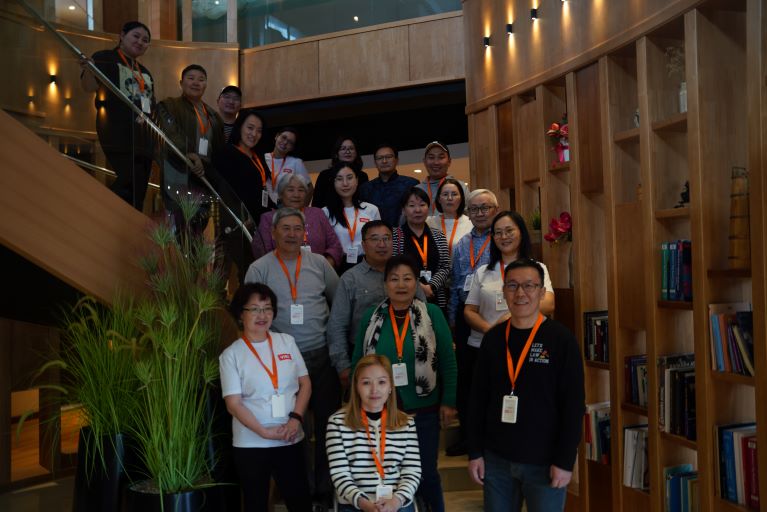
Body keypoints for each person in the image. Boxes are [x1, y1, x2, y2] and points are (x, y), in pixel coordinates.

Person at [467, 259, 584, 512]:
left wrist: (565, 461)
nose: (520, 293)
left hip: (545, 461)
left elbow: (573, 406)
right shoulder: (493, 339)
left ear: (542, 292)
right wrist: (475, 451)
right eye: (512, 286)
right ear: (504, 291)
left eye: (529, 286)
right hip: (497, 460)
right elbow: (477, 399)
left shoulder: (561, 340)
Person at [244, 208, 341, 507]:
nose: (291, 234)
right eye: (285, 228)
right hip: (282, 362)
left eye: (297, 228)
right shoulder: (259, 268)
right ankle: (300, 490)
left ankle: (325, 489)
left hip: (321, 356)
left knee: (328, 427)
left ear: (305, 233)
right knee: (295, 427)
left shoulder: (319, 265)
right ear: (273, 233)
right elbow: (248, 313)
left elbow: (337, 302)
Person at [352, 255, 457, 512]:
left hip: (423, 410)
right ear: (385, 283)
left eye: (408, 278)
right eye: (394, 278)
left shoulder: (432, 314)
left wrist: (449, 401)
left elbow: (448, 361)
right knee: (390, 475)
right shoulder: (371, 317)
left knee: (426, 473)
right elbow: (359, 364)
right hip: (380, 412)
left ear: (417, 282)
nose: (401, 284)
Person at [219, 282, 312, 511]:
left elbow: (305, 383)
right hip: (251, 443)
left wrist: (296, 419)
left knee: (300, 501)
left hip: (290, 436)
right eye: (255, 309)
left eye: (267, 308)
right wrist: (264, 432)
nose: (262, 315)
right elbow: (233, 403)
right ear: (241, 314)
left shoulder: (286, 342)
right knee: (255, 503)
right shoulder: (231, 355)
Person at [326, 221, 426, 390]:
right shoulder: (350, 279)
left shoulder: (406, 273)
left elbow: (424, 311)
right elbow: (337, 325)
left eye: (387, 238)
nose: (382, 244)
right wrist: (343, 366)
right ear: (363, 245)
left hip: (408, 353)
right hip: (364, 356)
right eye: (375, 239)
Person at [326, 354, 421, 512]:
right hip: (355, 502)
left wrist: (395, 502)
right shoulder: (337, 423)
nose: (374, 390)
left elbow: (412, 471)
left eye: (382, 382)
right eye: (366, 383)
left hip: (395, 500)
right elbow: (339, 474)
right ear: (356, 387)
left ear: (391, 386)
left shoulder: (406, 423)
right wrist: (364, 504)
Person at [79, 21, 155, 211]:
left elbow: (150, 103)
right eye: (136, 36)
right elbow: (89, 87)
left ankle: (130, 223)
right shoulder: (105, 57)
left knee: (139, 187)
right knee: (127, 180)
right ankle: (106, 213)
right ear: (122, 35)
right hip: (117, 131)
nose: (140, 42)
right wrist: (88, 69)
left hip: (144, 137)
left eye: (145, 40)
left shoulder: (145, 72)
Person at [445, 189, 499, 457]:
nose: (479, 213)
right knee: (467, 380)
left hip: (496, 317)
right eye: (474, 209)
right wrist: (454, 321)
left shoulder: (502, 240)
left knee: (495, 379)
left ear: (495, 210)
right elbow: (455, 286)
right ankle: (468, 436)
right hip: (467, 317)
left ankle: (493, 439)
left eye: (485, 208)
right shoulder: (460, 245)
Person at [156, 64, 226, 231]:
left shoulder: (214, 116)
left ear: (206, 85)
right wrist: (190, 154)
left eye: (201, 80)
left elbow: (219, 151)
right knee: (178, 226)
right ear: (181, 83)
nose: (196, 83)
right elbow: (171, 133)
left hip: (204, 178)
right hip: (177, 174)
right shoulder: (169, 105)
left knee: (198, 228)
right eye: (191, 78)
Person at [214, 109, 274, 283]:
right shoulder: (227, 153)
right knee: (224, 274)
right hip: (234, 224)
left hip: (255, 225)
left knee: (251, 275)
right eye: (250, 128)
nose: (254, 134)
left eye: (259, 130)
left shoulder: (258, 157)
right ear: (240, 127)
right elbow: (224, 190)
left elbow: (261, 190)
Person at [253, 173, 343, 268]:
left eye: (301, 190)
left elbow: (335, 246)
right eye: (290, 190)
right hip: (282, 276)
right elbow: (261, 253)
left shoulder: (317, 214)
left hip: (318, 273)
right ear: (280, 194)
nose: (296, 195)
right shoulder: (268, 219)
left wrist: (324, 267)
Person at [392, 187, 451, 312]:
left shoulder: (438, 235)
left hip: (434, 297)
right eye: (411, 205)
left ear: (428, 209)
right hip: (405, 298)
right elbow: (393, 267)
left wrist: (431, 286)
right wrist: (419, 287)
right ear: (403, 210)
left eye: (422, 205)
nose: (417, 210)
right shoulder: (395, 235)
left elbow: (445, 266)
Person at [322, 162, 381, 273]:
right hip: (336, 266)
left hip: (367, 265)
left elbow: (378, 242)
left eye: (349, 178)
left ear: (357, 180)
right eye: (339, 179)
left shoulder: (371, 210)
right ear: (333, 182)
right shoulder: (325, 213)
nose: (345, 183)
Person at [359, 144, 419, 228]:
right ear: (375, 162)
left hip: (404, 236)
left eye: (388, 157)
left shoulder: (411, 184)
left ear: (396, 160)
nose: (384, 161)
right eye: (380, 158)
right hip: (375, 237)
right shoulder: (366, 188)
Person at [313, 136, 369, 209]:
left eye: (351, 148)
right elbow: (316, 204)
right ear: (336, 154)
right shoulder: (324, 175)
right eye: (343, 148)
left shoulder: (362, 176)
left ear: (356, 153)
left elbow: (365, 201)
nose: (347, 151)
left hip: (357, 216)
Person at [416, 141, 468, 215]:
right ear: (424, 162)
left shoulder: (460, 187)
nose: (436, 162)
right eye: (431, 157)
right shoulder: (417, 190)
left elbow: (469, 217)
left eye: (441, 157)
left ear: (449, 161)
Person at [426, 178, 473, 259]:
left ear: (461, 199)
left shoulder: (470, 223)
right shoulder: (428, 222)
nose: (450, 198)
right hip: (435, 270)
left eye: (454, 194)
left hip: (461, 270)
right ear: (439, 199)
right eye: (445, 194)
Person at [264, 127, 311, 204]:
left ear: (292, 148)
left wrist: (301, 210)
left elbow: (309, 188)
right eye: (283, 137)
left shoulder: (296, 162)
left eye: (290, 142)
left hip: (285, 208)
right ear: (276, 136)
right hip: (264, 204)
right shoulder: (262, 158)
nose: (285, 142)